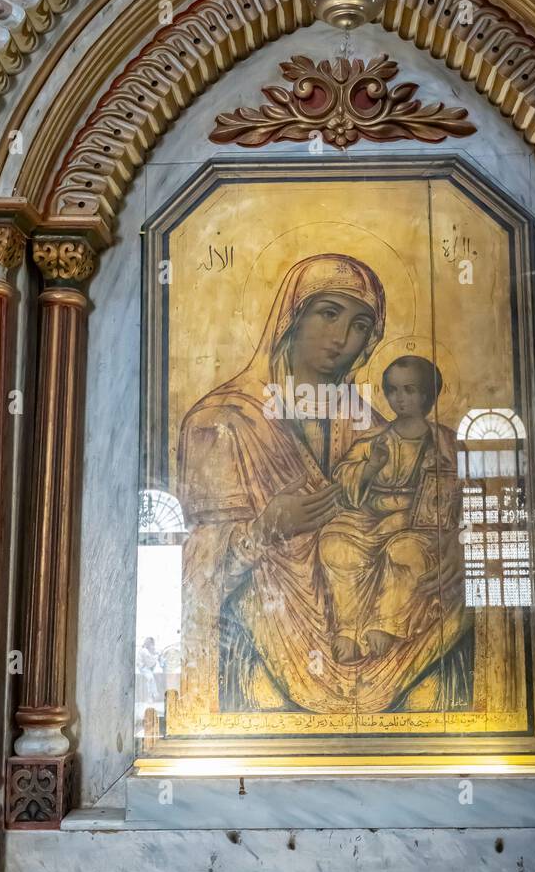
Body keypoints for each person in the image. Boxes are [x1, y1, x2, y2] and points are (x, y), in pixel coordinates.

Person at [176, 253, 471, 716]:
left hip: (381, 604)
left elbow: (440, 502)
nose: (341, 338)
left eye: (359, 326)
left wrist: (453, 541)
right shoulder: (223, 421)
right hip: (272, 635)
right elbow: (195, 569)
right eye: (328, 313)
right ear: (292, 316)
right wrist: (265, 529)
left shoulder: (372, 425)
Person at [319, 356, 458, 662]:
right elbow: (343, 478)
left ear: (427, 394)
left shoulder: (446, 443)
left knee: (405, 552)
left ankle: (386, 623)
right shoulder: (374, 440)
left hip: (416, 523)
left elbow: (466, 492)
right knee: (335, 541)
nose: (400, 398)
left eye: (409, 390)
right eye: (393, 390)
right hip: (370, 519)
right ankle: (348, 628)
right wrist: (371, 468)